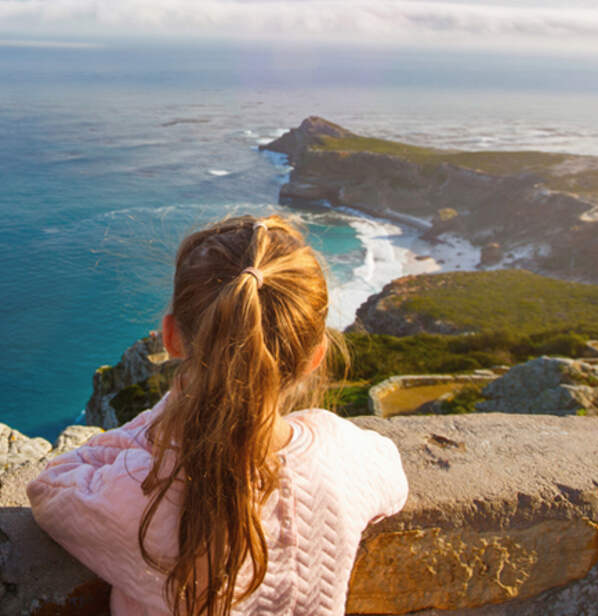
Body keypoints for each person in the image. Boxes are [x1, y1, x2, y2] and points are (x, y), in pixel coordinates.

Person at [28, 215, 407, 615]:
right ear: (316, 356)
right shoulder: (339, 453)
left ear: (171, 337)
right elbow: (392, 477)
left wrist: (167, 419)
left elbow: (49, 489)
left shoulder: (142, 488)